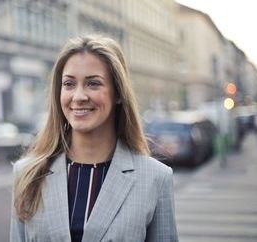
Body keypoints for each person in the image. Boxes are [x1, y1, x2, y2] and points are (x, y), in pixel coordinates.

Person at [10, 34, 178, 242]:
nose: (79, 96)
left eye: (93, 84)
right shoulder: (27, 174)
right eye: (69, 84)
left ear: (118, 93)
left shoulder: (155, 178)